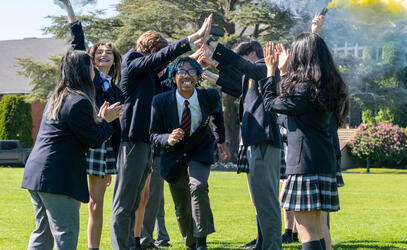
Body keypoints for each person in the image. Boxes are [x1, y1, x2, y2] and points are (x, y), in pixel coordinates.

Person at [111, 15, 213, 249]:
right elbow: (158, 61)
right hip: (133, 140)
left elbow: (167, 85)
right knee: (124, 202)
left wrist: (191, 66)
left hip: (147, 143)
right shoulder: (132, 60)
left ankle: (128, 245)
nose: (162, 61)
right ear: (152, 50)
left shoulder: (148, 76)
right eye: (160, 52)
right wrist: (192, 38)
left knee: (135, 201)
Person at [21, 50, 123, 249]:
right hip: (58, 178)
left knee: (43, 234)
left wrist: (101, 121)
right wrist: (107, 121)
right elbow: (93, 139)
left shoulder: (58, 96)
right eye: (91, 66)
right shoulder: (78, 101)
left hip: (37, 174)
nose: (94, 69)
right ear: (83, 71)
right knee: (65, 234)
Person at [260, 31, 346, 250]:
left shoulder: (303, 89)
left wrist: (271, 73)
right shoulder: (330, 87)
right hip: (324, 162)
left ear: (300, 56)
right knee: (317, 226)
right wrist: (282, 72)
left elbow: (271, 104)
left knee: (305, 229)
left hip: (304, 165)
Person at [201, 38, 283, 250]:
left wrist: (212, 44)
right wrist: (213, 70)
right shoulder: (252, 76)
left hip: (264, 141)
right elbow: (237, 85)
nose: (240, 64)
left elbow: (240, 67)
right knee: (261, 200)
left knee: (267, 201)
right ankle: (264, 243)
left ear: (253, 55)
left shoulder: (265, 66)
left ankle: (272, 246)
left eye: (242, 58)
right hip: (256, 141)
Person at [58, 1, 124, 249]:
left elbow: (116, 130)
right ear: (92, 58)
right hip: (79, 141)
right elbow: (78, 44)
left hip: (102, 147)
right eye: (99, 53)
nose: (104, 55)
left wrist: (113, 162)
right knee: (74, 200)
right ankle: (66, 243)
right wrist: (70, 13)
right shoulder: (85, 79)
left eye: (108, 53)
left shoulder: (118, 91)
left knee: (96, 203)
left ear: (114, 59)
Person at [150, 57, 230, 250]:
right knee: (182, 206)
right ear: (174, 77)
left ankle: (202, 242)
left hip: (199, 149)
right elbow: (153, 134)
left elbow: (218, 117)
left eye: (191, 71)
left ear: (198, 76)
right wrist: (168, 138)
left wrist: (221, 141)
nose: (186, 75)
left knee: (198, 186)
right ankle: (191, 244)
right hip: (173, 155)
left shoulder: (209, 97)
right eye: (181, 72)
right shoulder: (160, 101)